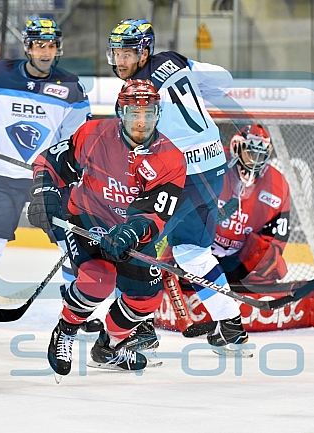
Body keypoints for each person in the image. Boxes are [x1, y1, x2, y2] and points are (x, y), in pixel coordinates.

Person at [0, 18, 91, 341]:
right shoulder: (0, 73)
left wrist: (71, 164)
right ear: (27, 47)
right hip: (2, 176)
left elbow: (79, 137)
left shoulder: (71, 88)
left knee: (73, 247)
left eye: (51, 46)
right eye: (40, 45)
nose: (46, 52)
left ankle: (76, 312)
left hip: (47, 180)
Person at [27, 79, 186, 379]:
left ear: (158, 114)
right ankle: (66, 330)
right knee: (98, 281)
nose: (141, 122)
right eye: (133, 113)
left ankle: (109, 347)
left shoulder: (171, 159)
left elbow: (155, 212)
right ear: (120, 111)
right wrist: (44, 192)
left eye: (148, 113)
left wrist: (131, 232)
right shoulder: (94, 134)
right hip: (88, 218)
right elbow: (51, 162)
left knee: (146, 299)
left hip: (133, 232)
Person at [106, 19, 249, 350]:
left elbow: (134, 144)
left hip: (181, 176)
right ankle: (231, 324)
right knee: (192, 252)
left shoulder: (137, 92)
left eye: (127, 54)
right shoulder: (176, 60)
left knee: (131, 243)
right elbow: (224, 80)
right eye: (116, 54)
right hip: (214, 168)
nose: (120, 62)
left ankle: (137, 327)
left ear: (144, 52)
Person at [212, 124, 290, 287]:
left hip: (238, 260)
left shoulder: (277, 185)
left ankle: (252, 288)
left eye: (259, 156)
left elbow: (277, 238)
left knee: (269, 257)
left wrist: (256, 266)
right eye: (250, 154)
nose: (254, 162)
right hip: (202, 251)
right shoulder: (212, 164)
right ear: (236, 148)